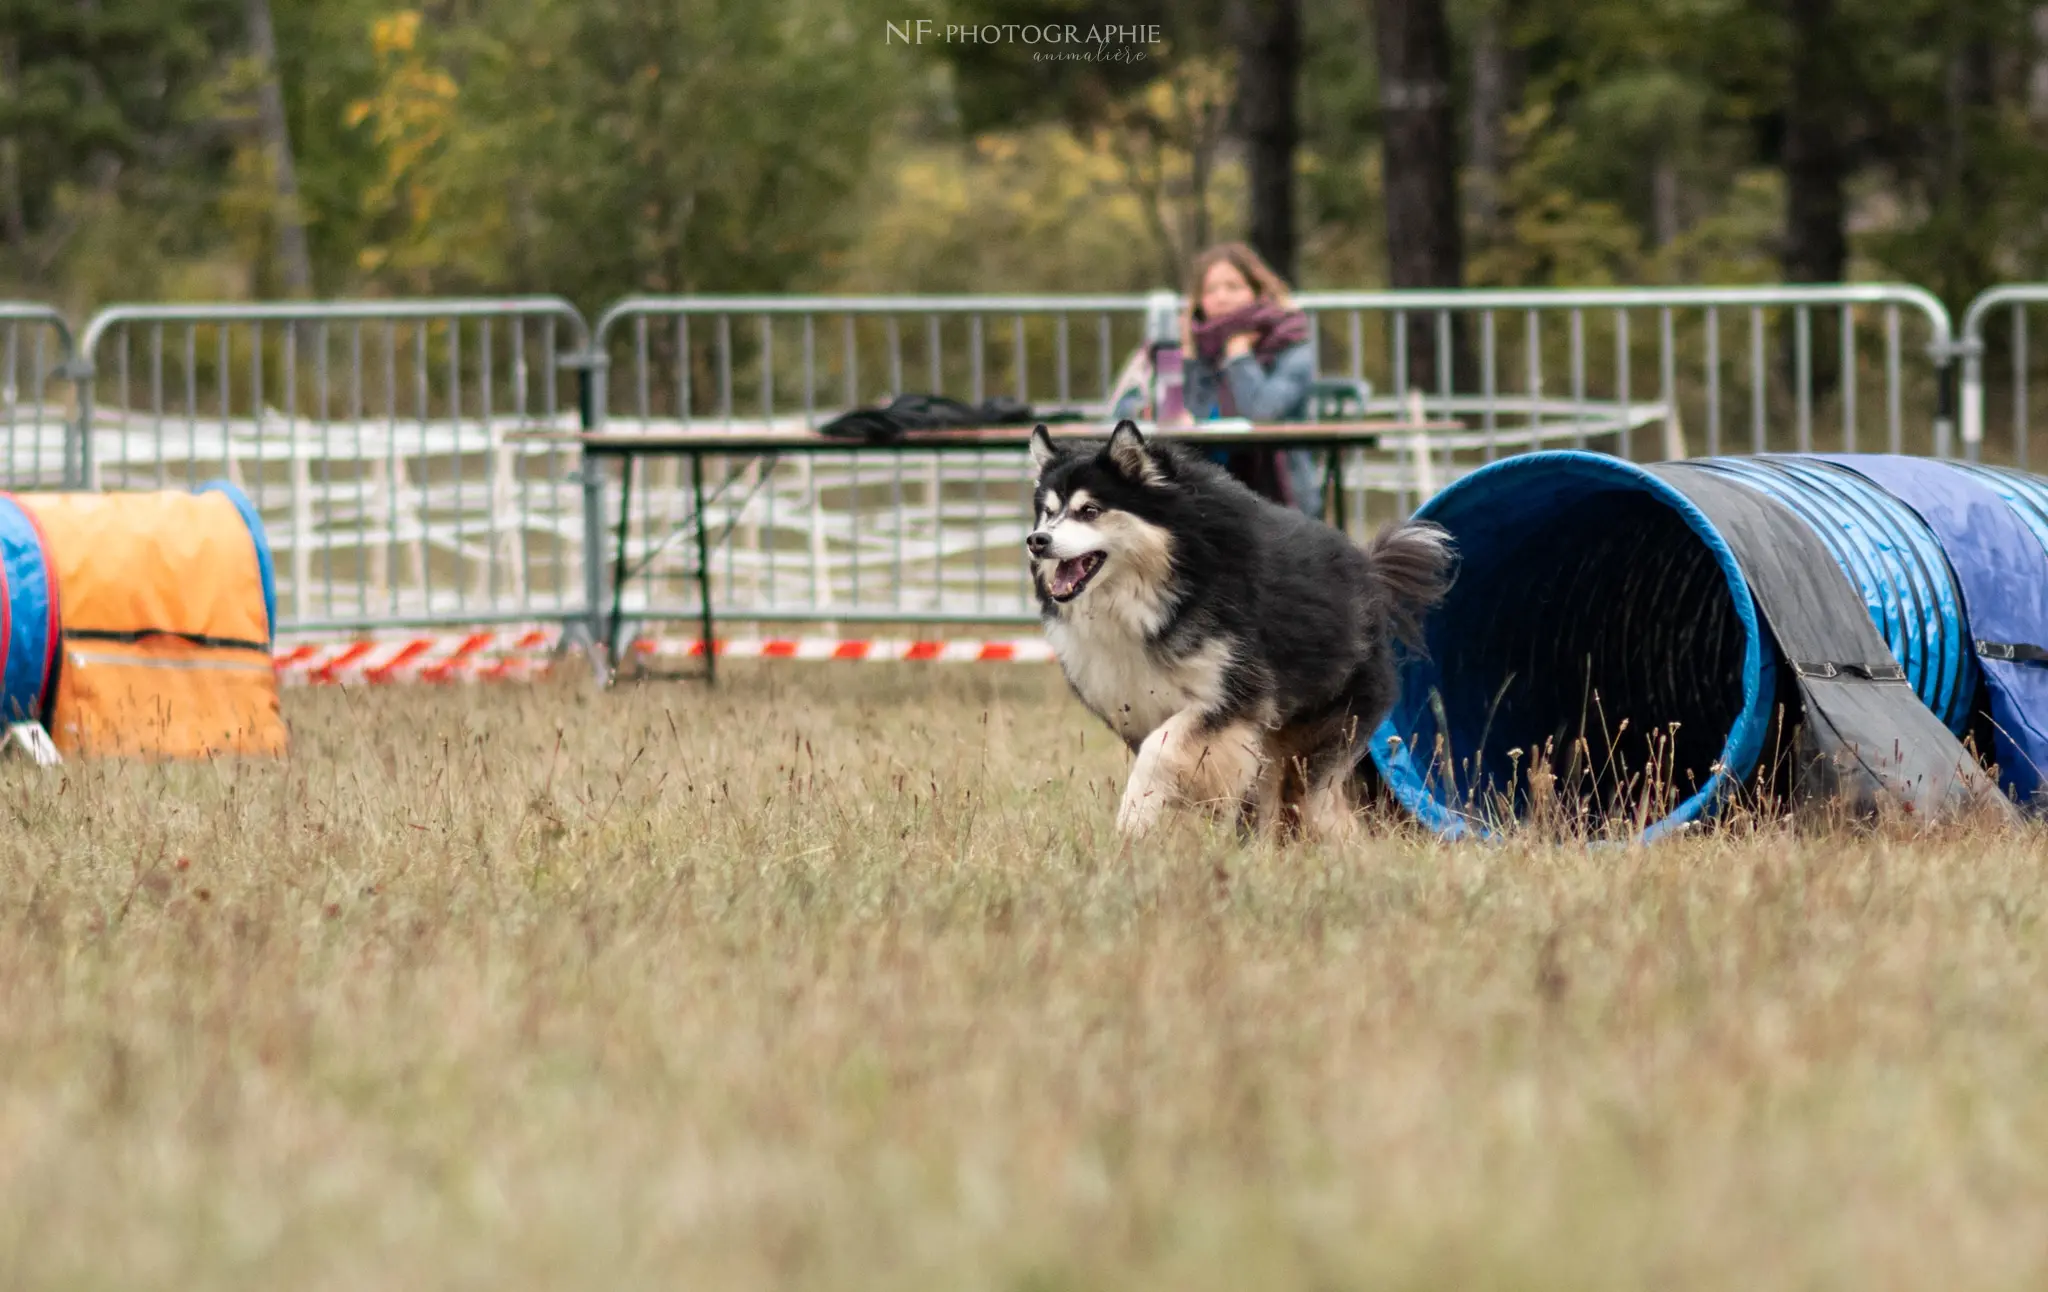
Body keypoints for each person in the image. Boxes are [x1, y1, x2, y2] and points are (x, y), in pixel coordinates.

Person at [1177, 242, 1322, 517]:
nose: (1221, 297)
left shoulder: (1290, 342)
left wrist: (1239, 357)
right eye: (1210, 290)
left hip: (1279, 497)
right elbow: (1188, 417)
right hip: (1203, 491)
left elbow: (1262, 412)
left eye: (1233, 286)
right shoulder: (1195, 345)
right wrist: (1189, 359)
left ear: (1257, 291)